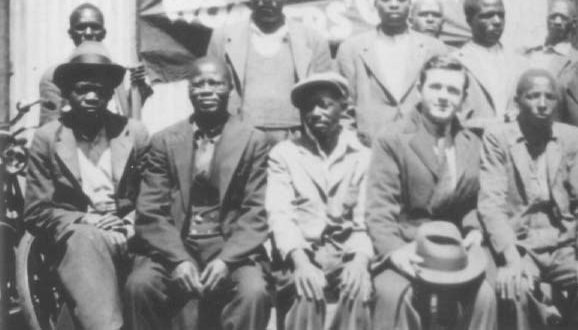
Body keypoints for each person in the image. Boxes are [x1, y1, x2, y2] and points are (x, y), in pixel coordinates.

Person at [124, 57, 272, 330]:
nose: (206, 90)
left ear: (230, 89)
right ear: (189, 91)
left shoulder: (253, 140)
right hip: (176, 243)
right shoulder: (164, 141)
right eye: (198, 84)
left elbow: (255, 212)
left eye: (215, 83)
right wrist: (178, 260)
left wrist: (227, 261)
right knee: (140, 285)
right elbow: (150, 211)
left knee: (253, 292)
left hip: (229, 246)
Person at [478, 68, 578, 330]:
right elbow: (491, 204)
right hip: (521, 243)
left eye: (549, 97)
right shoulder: (498, 137)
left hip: (563, 243)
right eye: (533, 96)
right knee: (516, 288)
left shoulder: (571, 137)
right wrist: (512, 258)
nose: (542, 104)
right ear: (517, 102)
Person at [24, 41, 150, 330]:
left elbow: (154, 194)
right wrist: (87, 220)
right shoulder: (47, 138)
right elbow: (36, 210)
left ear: (109, 92)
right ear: (68, 93)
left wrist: (130, 222)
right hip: (78, 237)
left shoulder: (134, 133)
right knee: (85, 240)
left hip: (130, 231)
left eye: (101, 89)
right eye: (83, 89)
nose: (93, 96)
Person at [365, 55, 496, 329]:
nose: (443, 97)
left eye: (452, 90)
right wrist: (395, 253)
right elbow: (379, 208)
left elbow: (475, 200)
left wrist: (475, 230)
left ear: (463, 98)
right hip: (406, 246)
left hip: (453, 251)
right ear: (420, 89)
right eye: (435, 87)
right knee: (394, 294)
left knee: (485, 295)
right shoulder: (393, 138)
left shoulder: (472, 142)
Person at [266, 72, 373, 330]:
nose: (315, 112)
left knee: (357, 291)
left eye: (324, 105)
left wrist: (359, 262)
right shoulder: (285, 154)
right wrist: (301, 263)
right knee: (305, 293)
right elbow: (280, 215)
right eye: (308, 107)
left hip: (346, 255)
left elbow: (365, 219)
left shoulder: (363, 156)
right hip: (300, 255)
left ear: (342, 108)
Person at [206, 0, 333, 144]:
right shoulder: (223, 37)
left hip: (296, 139)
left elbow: (326, 99)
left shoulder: (313, 40)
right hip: (238, 138)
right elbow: (210, 91)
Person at [336, 0, 448, 145]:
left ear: (409, 4)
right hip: (371, 151)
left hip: (423, 147)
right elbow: (343, 108)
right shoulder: (352, 49)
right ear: (375, 4)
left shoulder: (433, 48)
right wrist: (355, 148)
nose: (394, 4)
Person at [39, 3, 151, 125]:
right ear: (70, 33)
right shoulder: (54, 75)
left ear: (103, 33)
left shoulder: (113, 70)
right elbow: (50, 127)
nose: (88, 33)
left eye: (95, 27)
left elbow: (126, 115)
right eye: (80, 27)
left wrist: (139, 86)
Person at [452, 0, 528, 133]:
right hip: (474, 148)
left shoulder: (521, 63)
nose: (497, 21)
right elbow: (454, 118)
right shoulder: (456, 62)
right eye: (488, 15)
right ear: (469, 20)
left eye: (501, 14)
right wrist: (498, 123)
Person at [523, 0, 578, 79]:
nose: (557, 22)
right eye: (553, 17)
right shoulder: (531, 54)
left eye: (564, 18)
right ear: (547, 20)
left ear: (573, 24)